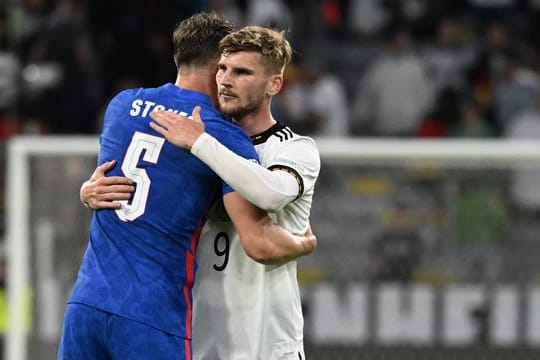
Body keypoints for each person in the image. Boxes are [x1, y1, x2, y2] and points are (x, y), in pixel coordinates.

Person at [59, 13, 315, 360]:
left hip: (87, 302)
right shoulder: (222, 135)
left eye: (240, 71)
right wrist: (305, 243)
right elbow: (260, 243)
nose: (227, 79)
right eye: (225, 69)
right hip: (156, 314)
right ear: (216, 66)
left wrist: (88, 191)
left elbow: (131, 178)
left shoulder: (122, 105)